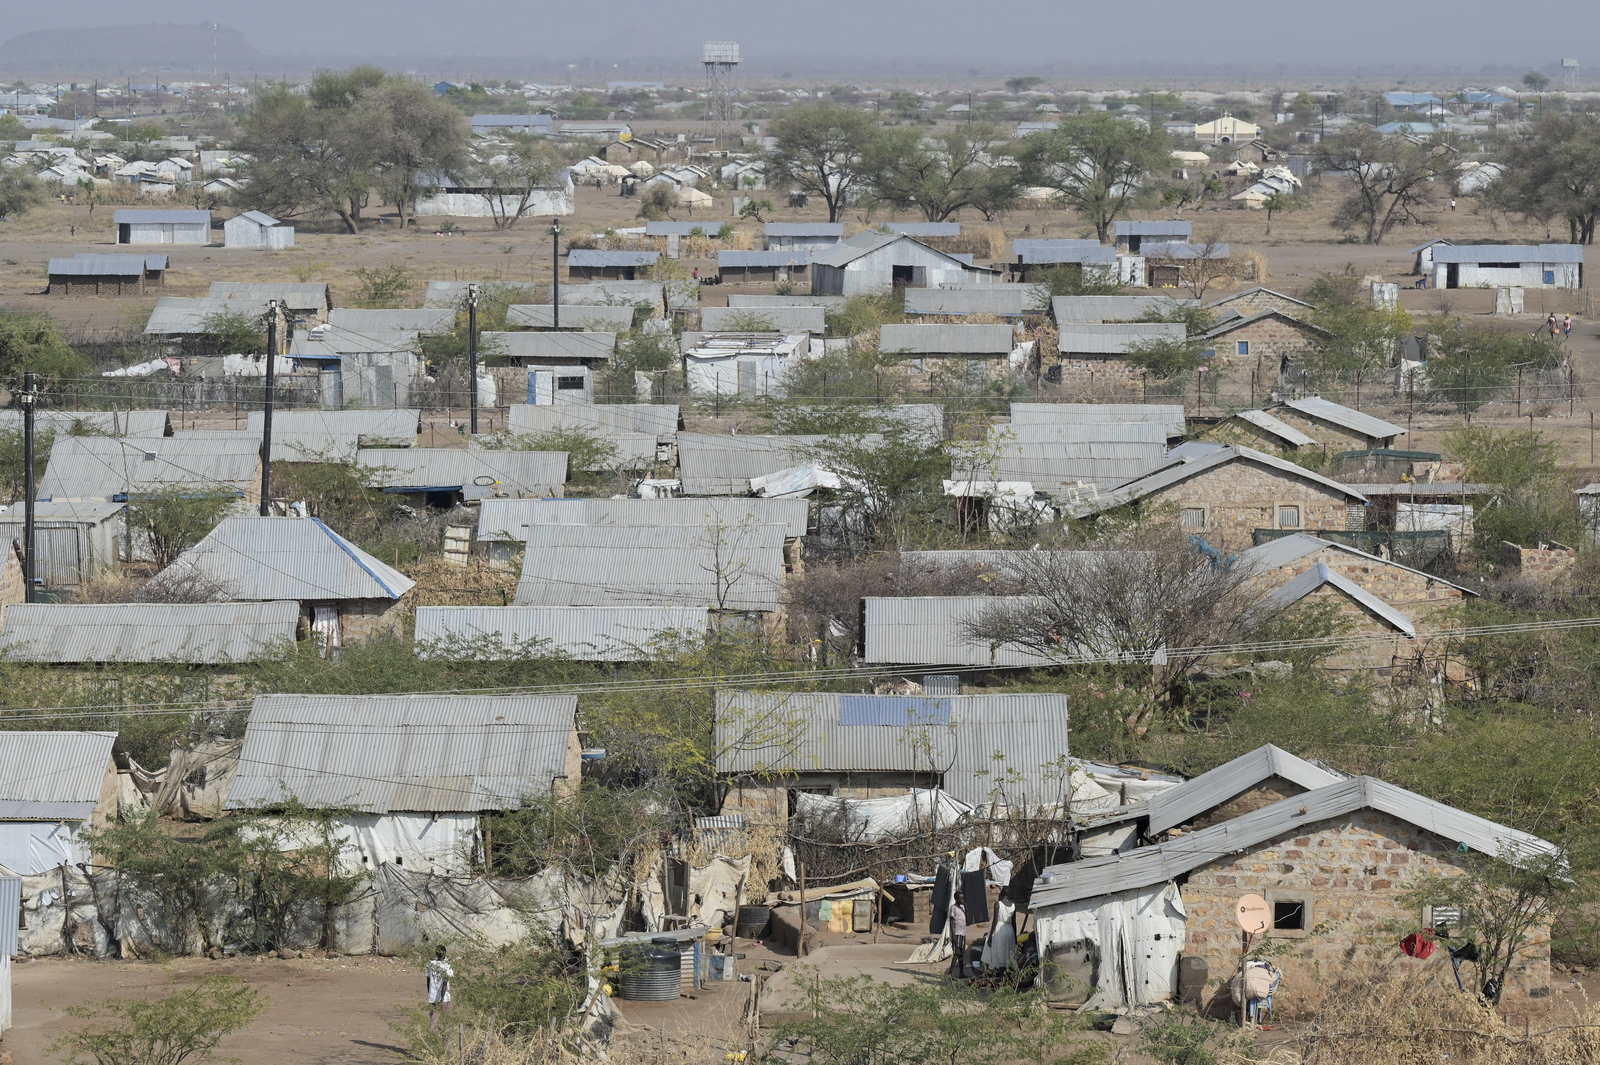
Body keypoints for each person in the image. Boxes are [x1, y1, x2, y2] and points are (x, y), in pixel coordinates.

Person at [981, 887, 1017, 973]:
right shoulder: (1013, 906)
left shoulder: (998, 904)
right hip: (1009, 930)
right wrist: (1015, 937)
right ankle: (1006, 974)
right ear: (1009, 895)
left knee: (999, 954)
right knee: (1007, 954)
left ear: (1001, 894)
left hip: (999, 930)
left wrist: (990, 937)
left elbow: (995, 921)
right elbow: (1014, 923)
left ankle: (999, 974)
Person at [426, 945, 453, 1030]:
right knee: (446, 1022)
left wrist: (430, 994)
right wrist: (442, 997)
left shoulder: (430, 964)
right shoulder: (447, 966)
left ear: (436, 953)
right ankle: (445, 1042)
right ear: (445, 954)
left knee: (433, 1021)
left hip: (433, 998)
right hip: (444, 998)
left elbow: (428, 982)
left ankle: (430, 1041)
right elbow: (445, 982)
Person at [948, 891, 968, 978]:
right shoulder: (953, 908)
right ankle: (950, 973)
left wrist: (966, 909)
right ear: (956, 899)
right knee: (956, 953)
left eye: (963, 898)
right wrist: (953, 936)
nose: (962, 900)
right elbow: (951, 922)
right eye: (961, 898)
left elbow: (967, 919)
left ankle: (961, 973)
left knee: (961, 955)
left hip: (963, 934)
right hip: (957, 934)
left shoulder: (963, 907)